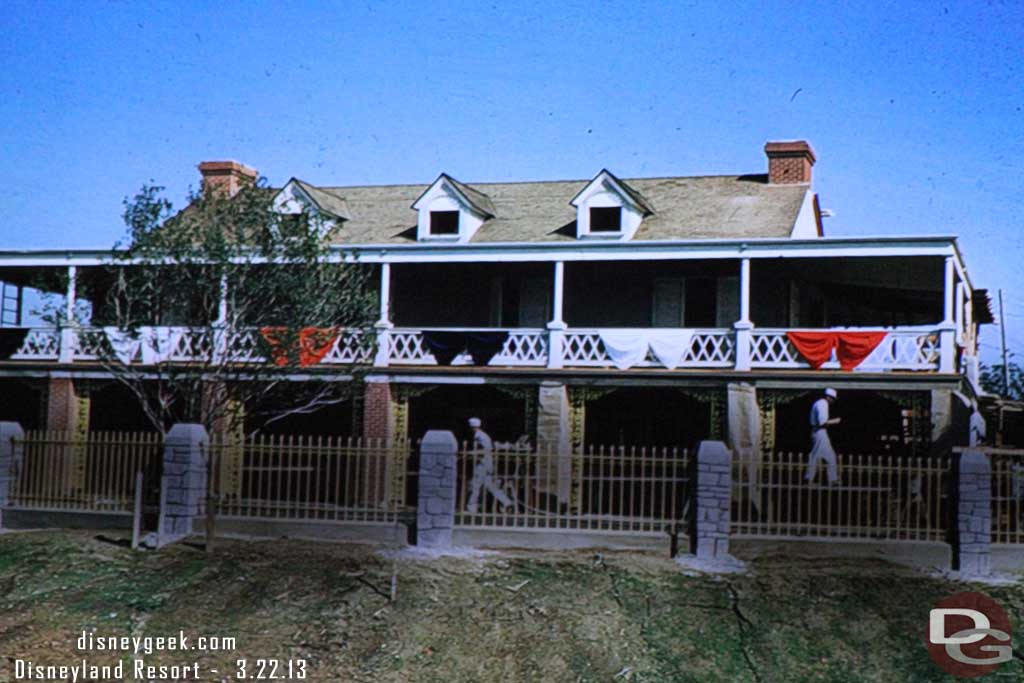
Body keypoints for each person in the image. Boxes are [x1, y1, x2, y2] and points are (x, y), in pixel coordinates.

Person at [465, 417, 514, 513]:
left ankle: (472, 507)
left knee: (475, 485)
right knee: (490, 486)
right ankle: (507, 503)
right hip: (486, 464)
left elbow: (487, 449)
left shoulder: (480, 436)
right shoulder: (481, 435)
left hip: (483, 464)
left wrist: (471, 453)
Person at [805, 388, 841, 484]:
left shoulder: (819, 403)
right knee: (818, 456)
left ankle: (830, 479)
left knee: (824, 456)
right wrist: (835, 421)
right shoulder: (823, 404)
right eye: (833, 399)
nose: (833, 401)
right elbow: (822, 423)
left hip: (818, 432)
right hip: (819, 432)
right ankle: (829, 479)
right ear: (829, 397)